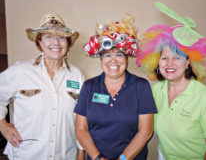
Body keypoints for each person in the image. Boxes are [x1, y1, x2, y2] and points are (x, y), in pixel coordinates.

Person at [136, 2, 206, 160]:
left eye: (177, 58)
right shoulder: (155, 91)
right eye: (164, 57)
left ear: (188, 62)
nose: (169, 63)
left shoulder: (205, 97)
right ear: (157, 62)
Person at [0, 13, 85, 160]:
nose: (56, 43)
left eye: (61, 37)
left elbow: (81, 117)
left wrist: (81, 151)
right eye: (48, 37)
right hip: (26, 155)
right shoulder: (20, 71)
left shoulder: (76, 75)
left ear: (68, 43)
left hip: (66, 156)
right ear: (39, 42)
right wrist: (3, 125)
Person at [74, 13, 157, 160]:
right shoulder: (89, 86)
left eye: (119, 54)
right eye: (107, 55)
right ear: (100, 59)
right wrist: (98, 158)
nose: (113, 61)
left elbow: (146, 131)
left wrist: (123, 159)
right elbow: (81, 129)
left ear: (127, 58)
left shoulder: (141, 86)